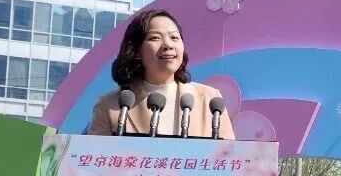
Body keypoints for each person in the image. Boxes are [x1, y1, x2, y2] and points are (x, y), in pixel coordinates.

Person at [88, 9, 235, 138]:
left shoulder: (210, 100)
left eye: (174, 37)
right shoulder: (110, 105)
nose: (168, 45)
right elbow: (94, 156)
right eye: (155, 38)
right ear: (136, 51)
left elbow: (228, 155)